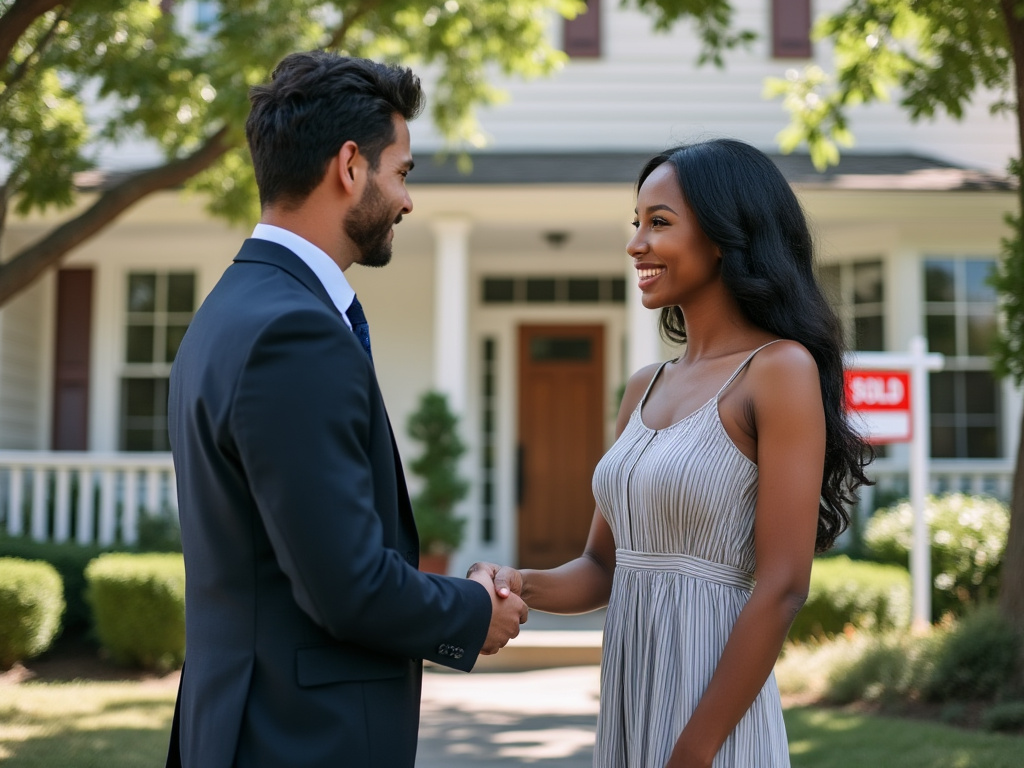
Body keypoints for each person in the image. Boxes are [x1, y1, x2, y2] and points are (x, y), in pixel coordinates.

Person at [165, 51, 528, 768]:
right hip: (299, 739)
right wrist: (473, 612)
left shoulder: (227, 313)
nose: (408, 200)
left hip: (243, 726)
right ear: (350, 166)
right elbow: (349, 587)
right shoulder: (294, 333)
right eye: (403, 172)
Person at [473, 139, 872, 768]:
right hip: (629, 711)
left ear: (723, 237)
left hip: (713, 727)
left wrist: (694, 750)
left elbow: (783, 587)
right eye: (636, 223)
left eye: (659, 223)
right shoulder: (643, 387)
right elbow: (604, 567)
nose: (637, 243)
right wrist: (519, 582)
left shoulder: (778, 372)